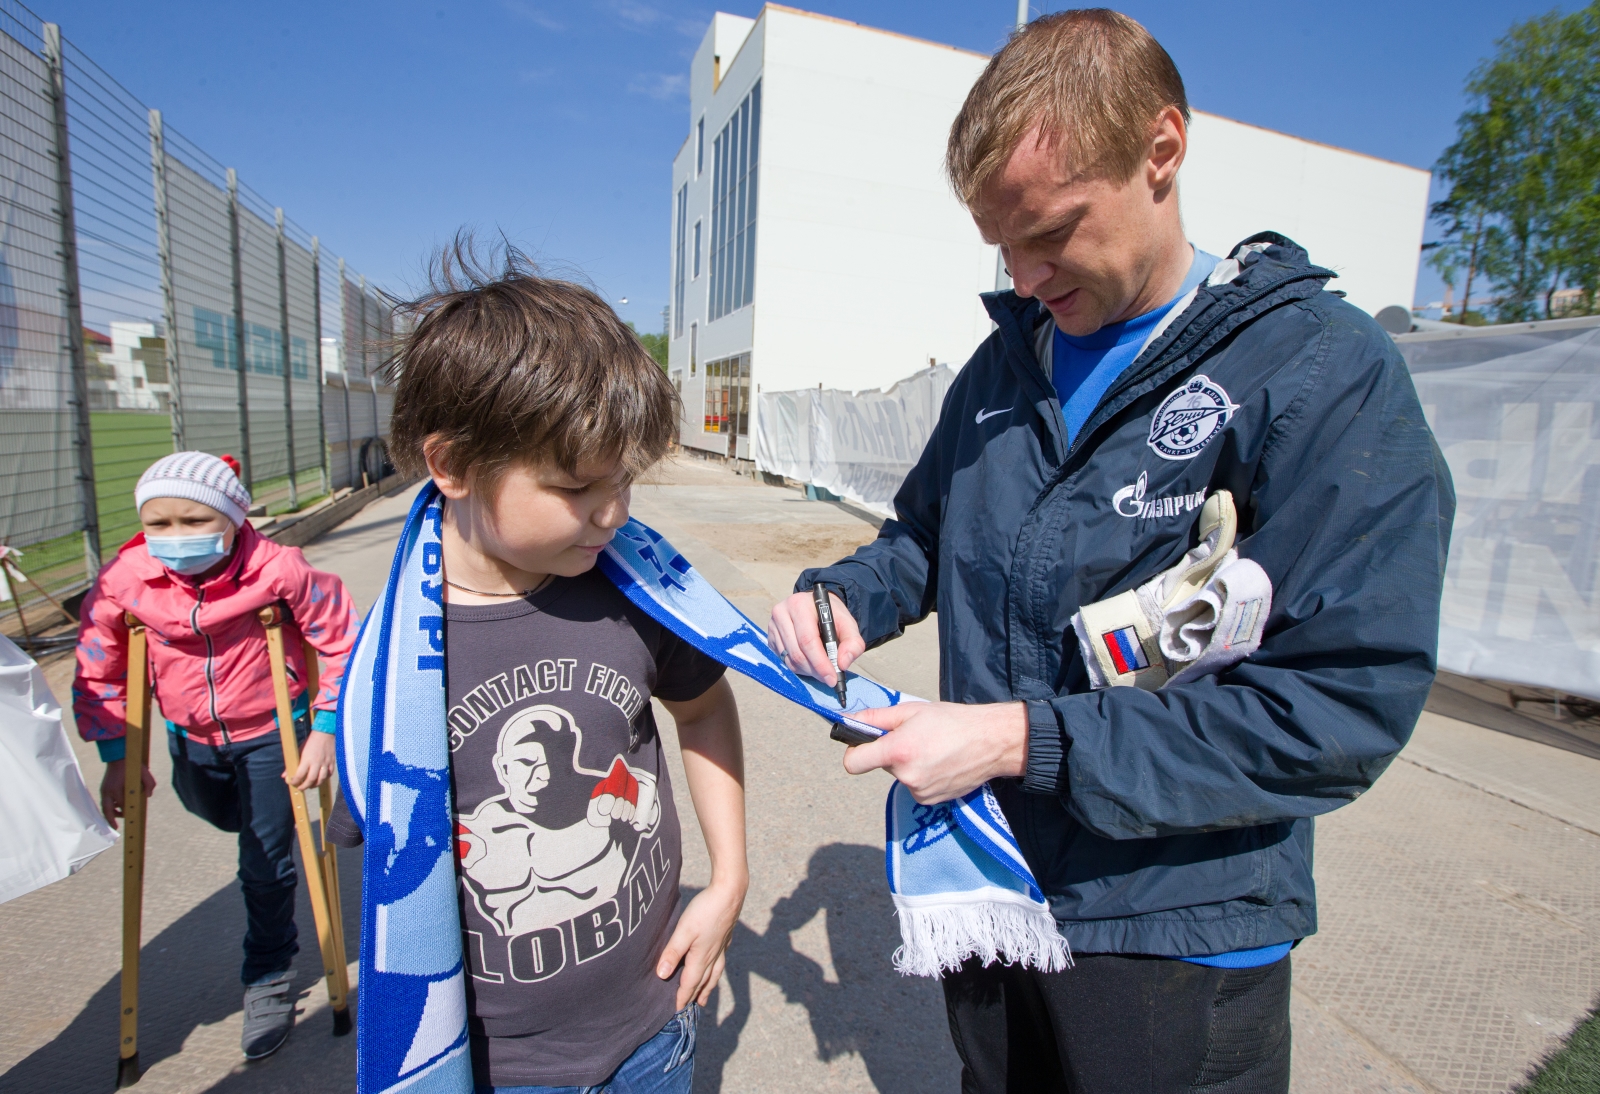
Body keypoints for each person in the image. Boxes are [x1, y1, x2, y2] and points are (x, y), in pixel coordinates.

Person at [767, 11, 1454, 1093]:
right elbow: (922, 536)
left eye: (1052, 233)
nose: (1027, 274)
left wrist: (1018, 742)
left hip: (1171, 932)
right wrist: (849, 593)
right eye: (1002, 246)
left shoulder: (1315, 371)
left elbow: (1339, 703)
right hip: (993, 894)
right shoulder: (1003, 372)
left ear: (1161, 152)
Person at [338, 246, 747, 1094]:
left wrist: (731, 877)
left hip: (653, 1030)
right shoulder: (389, 675)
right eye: (577, 486)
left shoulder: (633, 595)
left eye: (625, 479)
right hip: (492, 1067)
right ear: (451, 465)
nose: (615, 512)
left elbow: (704, 709)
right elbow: (387, 856)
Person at [74, 450, 359, 1061]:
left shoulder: (277, 569)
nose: (174, 538)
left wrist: (327, 729)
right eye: (159, 524)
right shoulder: (126, 580)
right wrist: (117, 754)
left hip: (269, 731)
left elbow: (341, 641)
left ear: (234, 517)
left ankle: (268, 974)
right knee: (220, 815)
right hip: (191, 736)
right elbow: (100, 667)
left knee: (264, 858)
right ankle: (255, 837)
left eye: (193, 521)